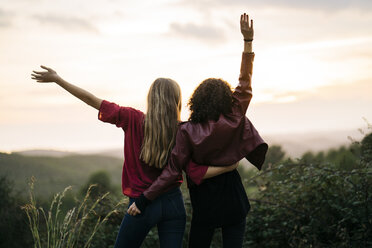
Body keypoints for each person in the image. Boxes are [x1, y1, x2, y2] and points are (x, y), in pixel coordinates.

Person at [30, 70, 238, 246]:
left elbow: (91, 100)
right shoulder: (183, 131)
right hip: (174, 204)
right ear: (177, 101)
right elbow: (195, 171)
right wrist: (228, 166)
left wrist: (59, 80)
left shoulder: (131, 118)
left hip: (141, 204)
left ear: (151, 98)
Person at [128, 13, 268, 248]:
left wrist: (143, 199)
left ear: (196, 101)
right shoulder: (235, 113)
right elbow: (245, 81)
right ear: (226, 98)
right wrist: (248, 42)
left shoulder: (186, 132)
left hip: (205, 201)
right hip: (234, 195)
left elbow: (171, 171)